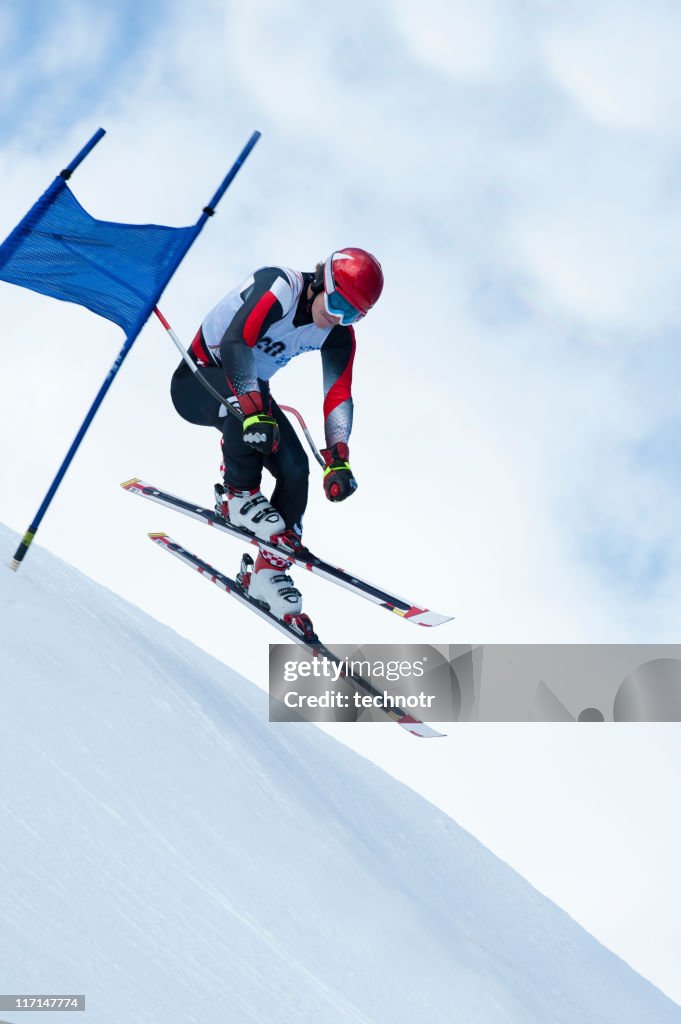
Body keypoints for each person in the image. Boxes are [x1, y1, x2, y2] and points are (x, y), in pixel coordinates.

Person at [170, 247, 384, 622]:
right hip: (197, 380)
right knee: (250, 413)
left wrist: (338, 458)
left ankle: (268, 571)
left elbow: (338, 395)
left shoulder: (337, 336)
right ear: (322, 283)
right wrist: (254, 410)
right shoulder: (280, 286)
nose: (336, 317)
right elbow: (237, 342)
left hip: (250, 393)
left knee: (296, 467)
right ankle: (238, 494)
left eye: (351, 314)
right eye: (336, 303)